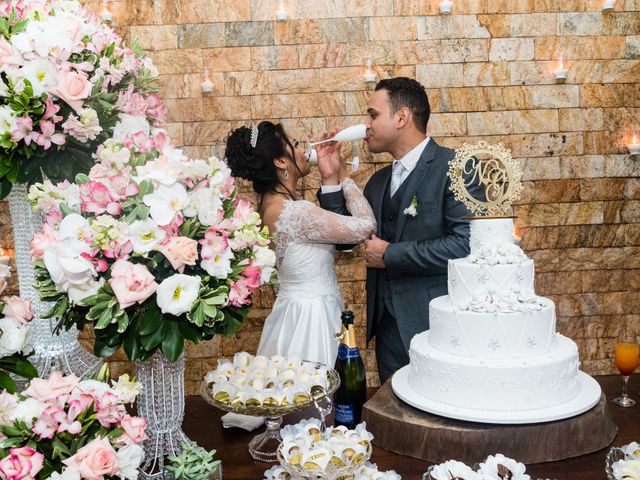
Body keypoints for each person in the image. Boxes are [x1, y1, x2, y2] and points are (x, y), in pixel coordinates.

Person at [318, 77, 474, 384]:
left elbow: (467, 246)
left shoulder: (455, 167)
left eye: (373, 115)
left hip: (438, 326)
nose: (365, 125)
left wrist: (391, 254)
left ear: (402, 117)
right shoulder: (378, 182)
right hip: (387, 328)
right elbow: (344, 242)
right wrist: (330, 178)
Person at [225, 121, 376, 368]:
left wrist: (329, 176)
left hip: (291, 314)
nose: (303, 148)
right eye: (295, 144)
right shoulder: (295, 213)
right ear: (281, 162)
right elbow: (365, 226)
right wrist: (344, 177)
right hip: (312, 320)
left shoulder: (267, 208)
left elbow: (325, 241)